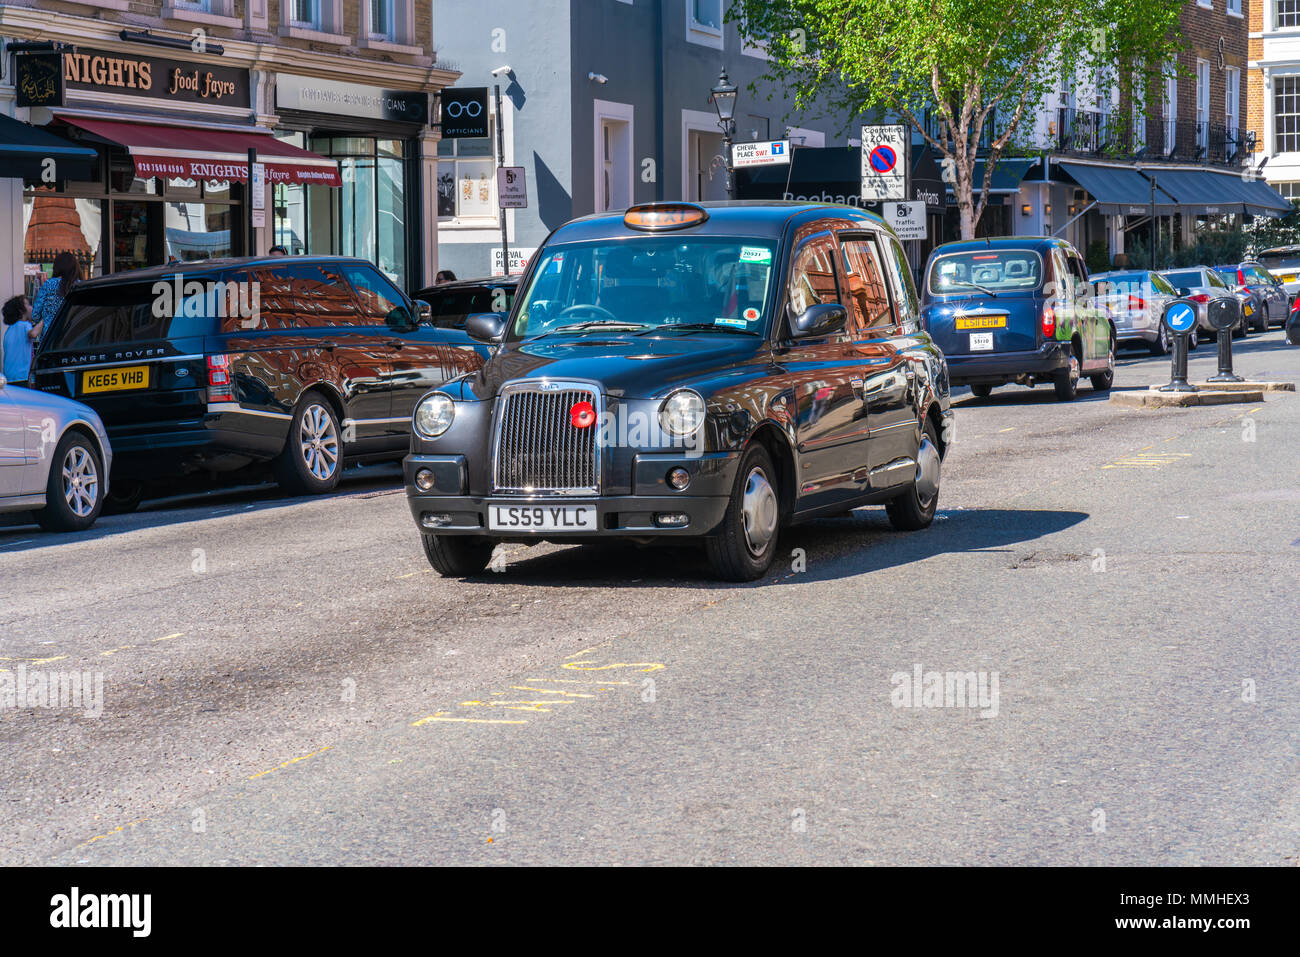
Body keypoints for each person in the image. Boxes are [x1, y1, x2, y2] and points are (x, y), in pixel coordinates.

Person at [30, 251, 79, 345]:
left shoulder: (49, 284)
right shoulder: (79, 285)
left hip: (50, 340)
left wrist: (46, 316)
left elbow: (35, 315)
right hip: (74, 338)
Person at [2, 294, 38, 385]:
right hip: (22, 376)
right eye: (29, 305)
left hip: (9, 377)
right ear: (21, 310)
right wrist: (44, 320)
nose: (32, 307)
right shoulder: (25, 325)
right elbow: (33, 334)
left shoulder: (9, 330)